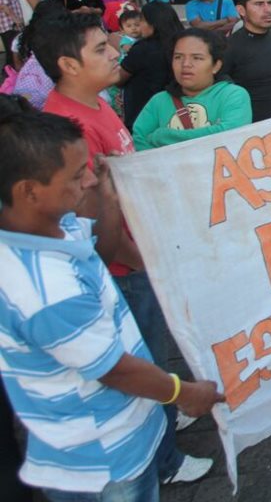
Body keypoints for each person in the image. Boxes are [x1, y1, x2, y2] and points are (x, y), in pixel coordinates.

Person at [0, 98, 224, 501]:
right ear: (29, 191)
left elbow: (99, 250)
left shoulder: (53, 224)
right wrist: (185, 394)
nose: (86, 180)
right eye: (75, 175)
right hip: (100, 462)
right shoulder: (42, 291)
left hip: (120, 437)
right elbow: (114, 370)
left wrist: (105, 192)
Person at [34, 14, 211, 486]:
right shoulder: (67, 128)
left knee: (155, 351)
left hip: (140, 250)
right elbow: (90, 221)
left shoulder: (98, 103)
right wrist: (142, 259)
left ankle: (167, 422)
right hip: (123, 265)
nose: (116, 53)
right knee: (145, 360)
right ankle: (164, 460)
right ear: (68, 64)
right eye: (100, 49)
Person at [132, 29, 252, 150]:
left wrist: (161, 136)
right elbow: (138, 143)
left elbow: (230, 135)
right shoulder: (158, 101)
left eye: (197, 58)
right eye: (178, 57)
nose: (186, 64)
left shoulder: (233, 95)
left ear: (216, 65)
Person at [116, 1, 183, 129]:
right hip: (178, 112)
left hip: (144, 113)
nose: (139, 26)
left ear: (152, 24)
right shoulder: (183, 43)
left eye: (141, 21)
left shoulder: (142, 49)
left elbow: (118, 78)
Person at [0, 0, 24, 67]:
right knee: (11, 50)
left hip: (13, 24)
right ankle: (9, 72)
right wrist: (16, 20)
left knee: (15, 48)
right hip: (9, 25)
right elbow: (4, 6)